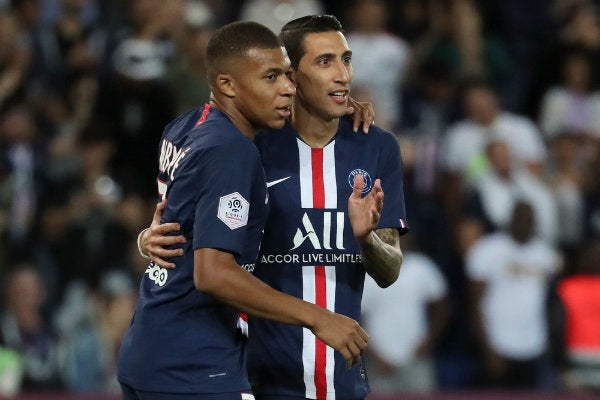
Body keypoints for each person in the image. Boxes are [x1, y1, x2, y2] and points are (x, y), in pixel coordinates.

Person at [141, 15, 407, 400]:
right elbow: (197, 245)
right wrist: (148, 238)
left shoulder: (377, 146)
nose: (343, 75)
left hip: (344, 378)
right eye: (324, 61)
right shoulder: (251, 145)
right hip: (258, 378)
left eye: (346, 59)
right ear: (291, 76)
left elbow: (390, 271)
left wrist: (366, 240)